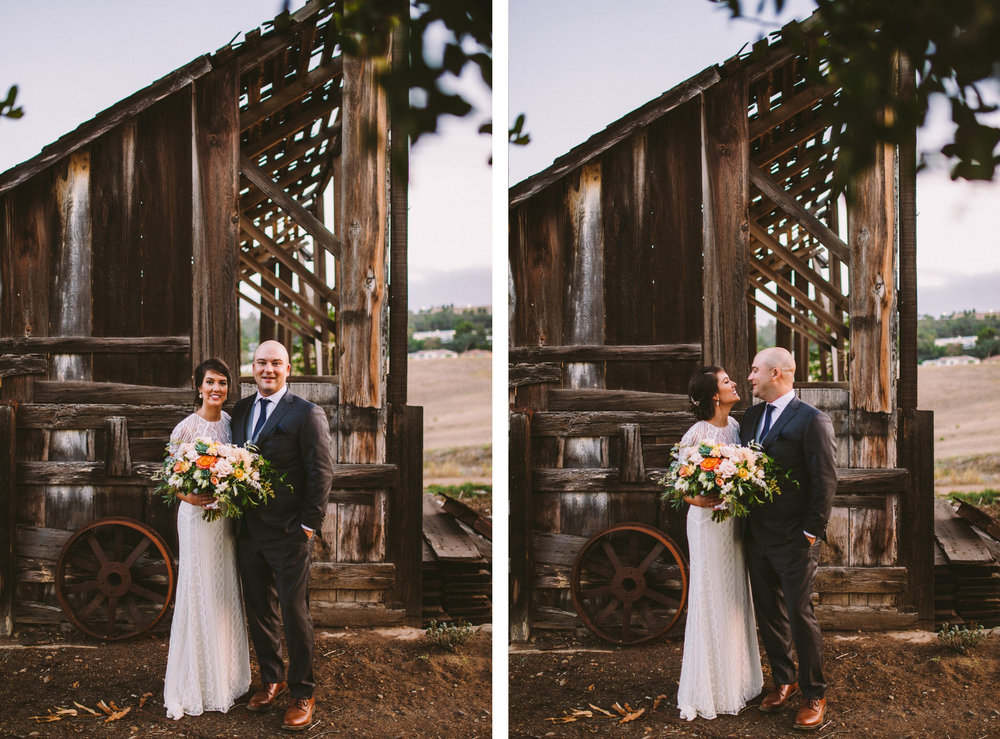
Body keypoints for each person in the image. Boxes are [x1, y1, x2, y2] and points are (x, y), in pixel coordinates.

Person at [232, 340, 334, 732]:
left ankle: (302, 692)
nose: (268, 369)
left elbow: (321, 473)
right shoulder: (241, 410)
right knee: (259, 610)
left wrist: (307, 525)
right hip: (247, 532)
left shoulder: (307, 413)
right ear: (252, 368)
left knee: (294, 613)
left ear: (288, 369)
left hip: (289, 533)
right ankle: (271, 679)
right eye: (261, 363)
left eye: (276, 363)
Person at [741, 347, 837, 731]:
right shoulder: (750, 417)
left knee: (799, 614)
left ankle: (814, 693)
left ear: (775, 373)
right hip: (755, 536)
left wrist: (810, 532)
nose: (749, 377)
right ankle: (784, 679)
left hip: (795, 539)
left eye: (754, 370)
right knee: (769, 612)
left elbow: (825, 480)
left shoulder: (812, 420)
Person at [163, 357, 251, 720]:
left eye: (223, 383)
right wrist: (191, 496)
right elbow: (170, 477)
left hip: (224, 520)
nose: (217, 389)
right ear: (198, 387)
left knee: (224, 587)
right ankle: (195, 680)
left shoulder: (233, 426)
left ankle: (226, 676)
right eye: (211, 382)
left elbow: (241, 470)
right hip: (196, 519)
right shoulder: (185, 428)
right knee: (197, 586)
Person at [675, 366, 764, 721]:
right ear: (714, 394)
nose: (734, 384)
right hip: (707, 525)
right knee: (710, 592)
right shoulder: (697, 433)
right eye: (727, 382)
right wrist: (699, 500)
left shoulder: (738, 428)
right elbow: (680, 484)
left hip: (734, 524)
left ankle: (738, 679)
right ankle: (707, 686)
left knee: (734, 595)